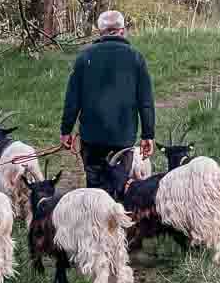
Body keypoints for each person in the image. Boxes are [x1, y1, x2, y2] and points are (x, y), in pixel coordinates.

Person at [60, 10, 155, 188]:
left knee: (94, 186)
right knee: (120, 184)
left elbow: (72, 100)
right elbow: (145, 100)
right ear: (122, 30)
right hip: (123, 136)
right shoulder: (136, 58)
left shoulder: (84, 57)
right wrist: (148, 134)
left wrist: (66, 130)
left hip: (92, 137)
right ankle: (118, 211)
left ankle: (96, 213)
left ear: (99, 32)